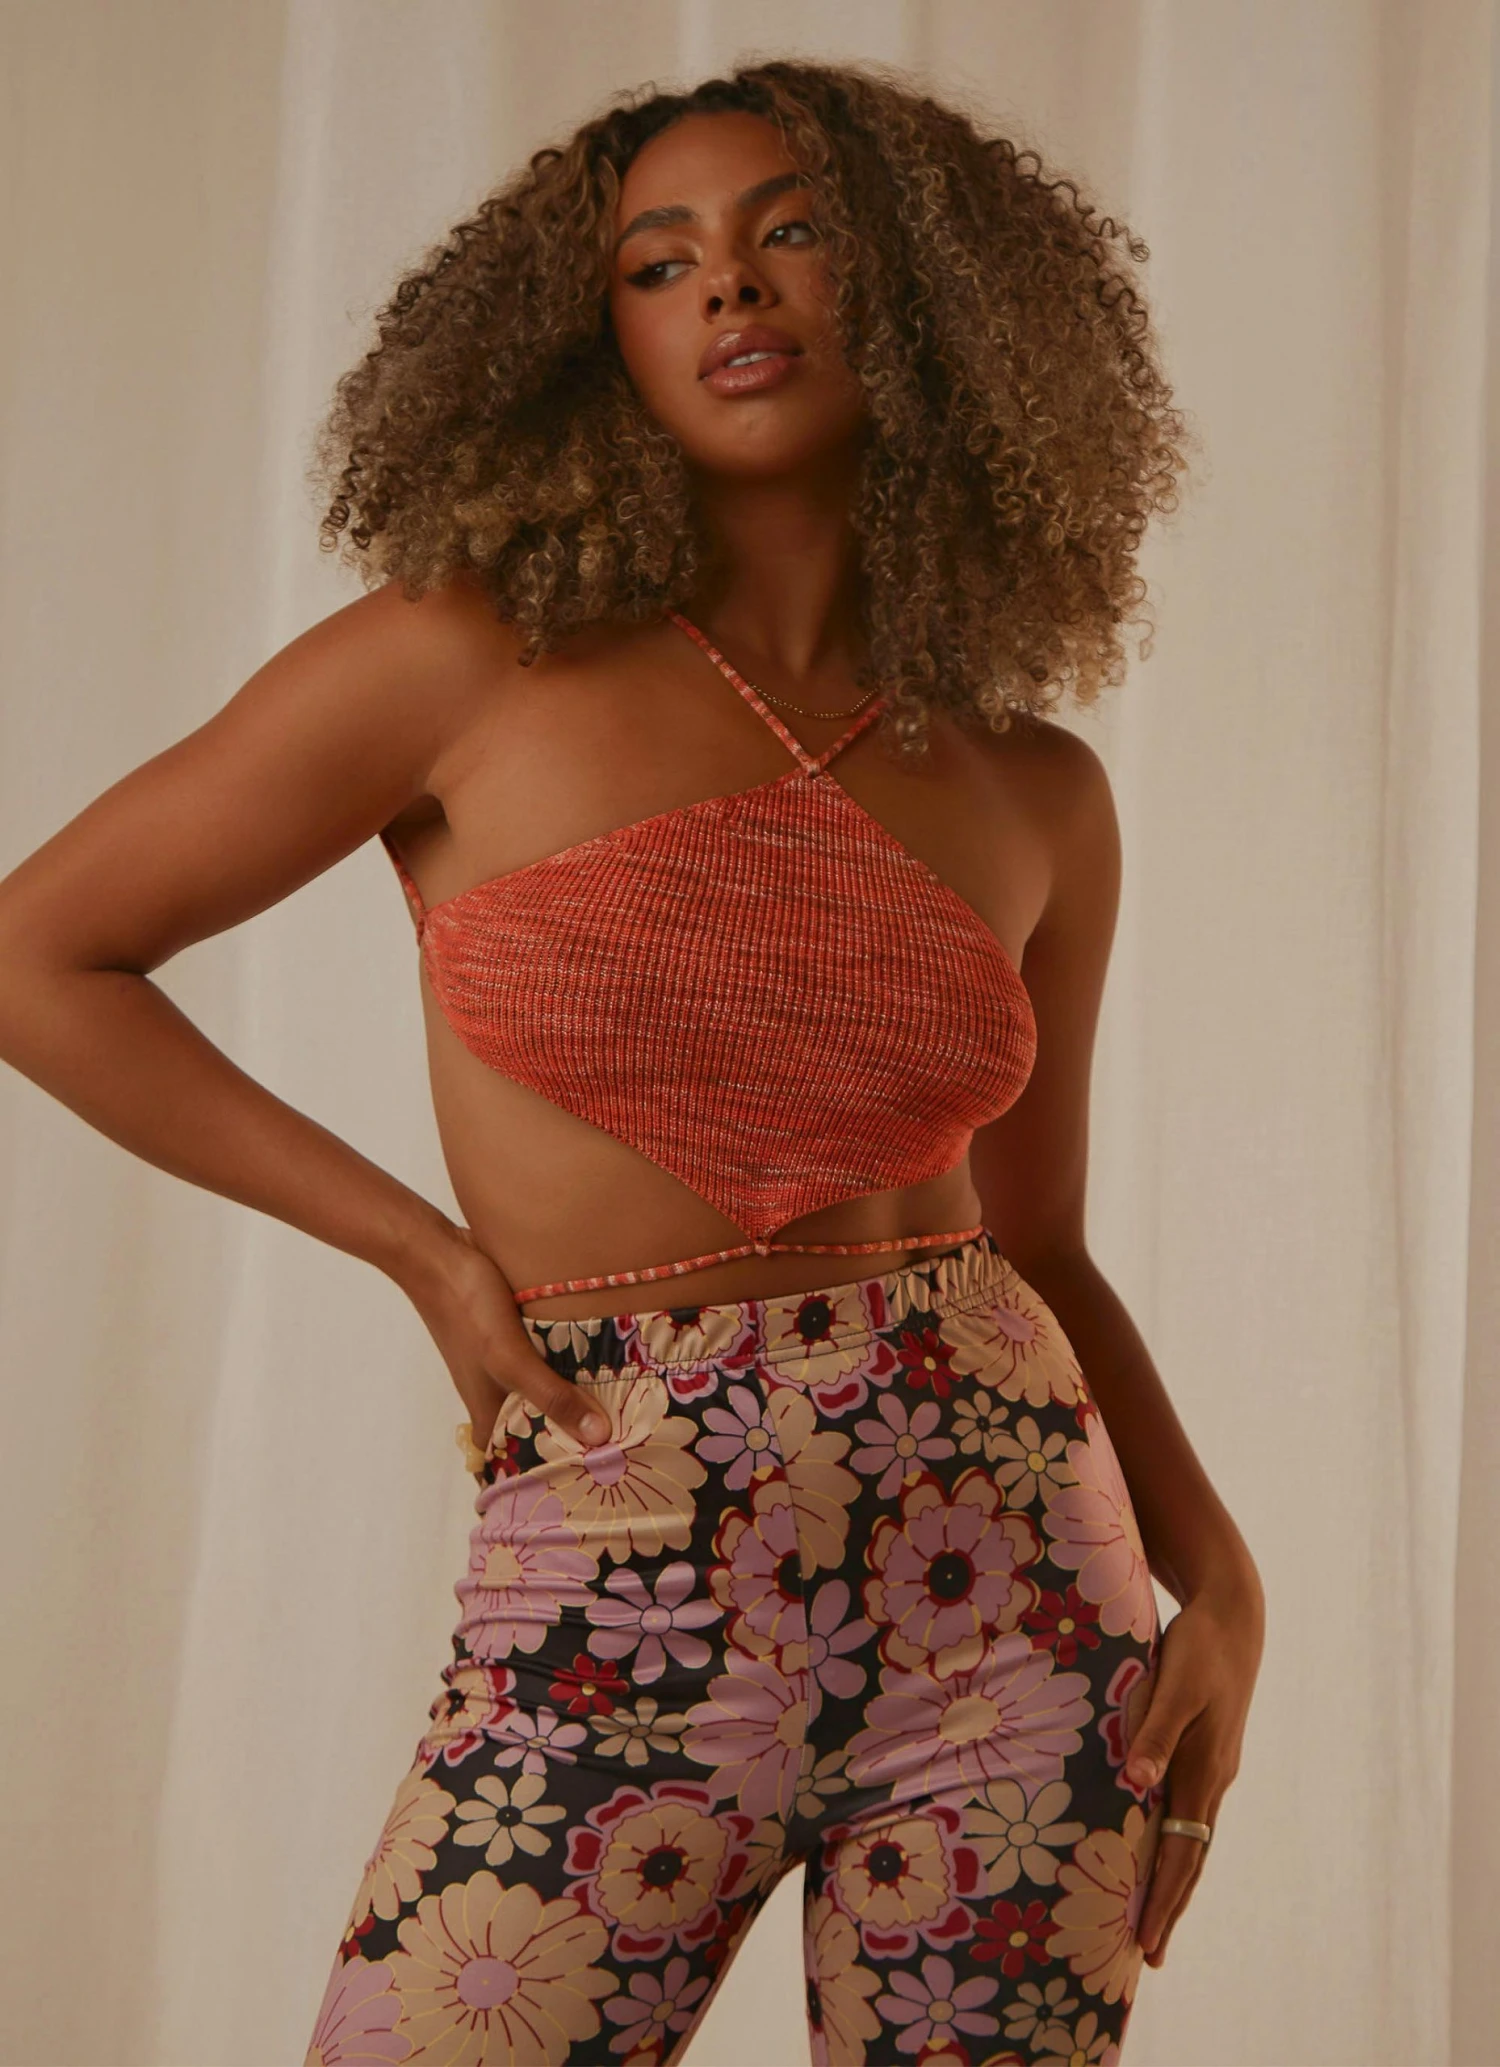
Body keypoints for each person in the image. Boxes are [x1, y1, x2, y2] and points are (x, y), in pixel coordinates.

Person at [0, 57, 1264, 2067]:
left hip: (1022, 1609)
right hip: (616, 1560)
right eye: (659, 264)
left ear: (928, 292)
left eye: (792, 233)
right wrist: (426, 1258)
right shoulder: (456, 663)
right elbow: (39, 955)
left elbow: (1046, 1248)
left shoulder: (1035, 785)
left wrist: (1225, 1580)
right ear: (589, 341)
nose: (728, 288)